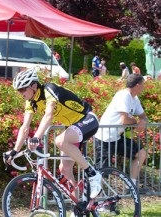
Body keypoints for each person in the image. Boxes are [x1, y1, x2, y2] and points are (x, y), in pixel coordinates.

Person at [5, 69, 102, 200]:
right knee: (64, 170)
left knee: (60, 141)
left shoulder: (48, 90)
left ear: (33, 86)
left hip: (87, 119)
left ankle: (93, 174)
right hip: (73, 127)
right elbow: (24, 127)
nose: (20, 93)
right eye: (18, 91)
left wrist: (36, 138)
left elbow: (48, 115)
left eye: (22, 89)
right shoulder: (31, 101)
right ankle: (78, 208)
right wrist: (15, 151)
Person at [95, 74, 147, 189]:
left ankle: (131, 186)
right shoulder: (124, 95)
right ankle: (98, 201)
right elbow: (124, 120)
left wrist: (143, 121)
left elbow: (143, 116)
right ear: (137, 85)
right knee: (102, 173)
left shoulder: (135, 98)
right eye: (143, 85)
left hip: (116, 137)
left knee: (141, 153)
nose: (144, 87)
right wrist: (135, 121)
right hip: (105, 138)